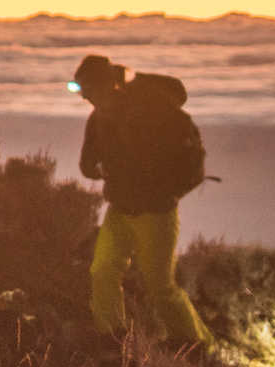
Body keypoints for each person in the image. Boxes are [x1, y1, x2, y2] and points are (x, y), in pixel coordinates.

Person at [71, 54, 212, 347]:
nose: (87, 99)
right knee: (103, 271)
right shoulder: (100, 118)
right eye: (84, 92)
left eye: (89, 91)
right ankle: (111, 339)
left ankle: (196, 344)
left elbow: (183, 162)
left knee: (160, 286)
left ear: (107, 85)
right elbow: (87, 165)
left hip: (156, 212)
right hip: (121, 208)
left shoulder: (151, 112)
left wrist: (157, 187)